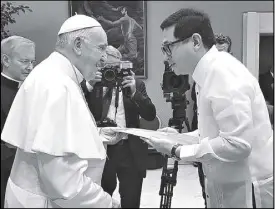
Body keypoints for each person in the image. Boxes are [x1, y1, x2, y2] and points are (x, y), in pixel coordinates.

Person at [141, 8, 273, 208]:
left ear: (195, 41)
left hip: (248, 191)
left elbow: (237, 144)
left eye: (168, 47)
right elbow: (212, 133)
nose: (165, 56)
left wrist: (178, 150)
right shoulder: (207, 73)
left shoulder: (222, 73)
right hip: (228, 185)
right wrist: (178, 138)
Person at [1, 15, 121, 208]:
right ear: (78, 45)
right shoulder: (57, 84)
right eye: (101, 48)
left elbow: (54, 137)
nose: (105, 58)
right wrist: (105, 203)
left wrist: (97, 135)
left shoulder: (52, 73)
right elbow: (61, 182)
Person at [81, 45, 156, 208]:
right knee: (98, 200)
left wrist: (135, 92)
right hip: (101, 150)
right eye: (107, 67)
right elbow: (73, 109)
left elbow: (150, 115)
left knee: (131, 200)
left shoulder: (135, 84)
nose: (111, 71)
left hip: (129, 150)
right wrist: (88, 86)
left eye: (115, 67)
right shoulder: (93, 83)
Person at [1, 35, 35, 208]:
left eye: (32, 62)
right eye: (24, 61)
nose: (30, 67)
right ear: (6, 60)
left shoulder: (30, 88)